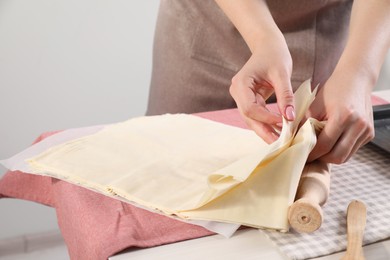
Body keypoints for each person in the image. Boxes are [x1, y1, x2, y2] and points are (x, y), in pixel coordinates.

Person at [146, 0, 390, 164]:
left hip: (330, 37)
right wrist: (263, 39)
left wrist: (359, 72)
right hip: (206, 34)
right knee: (172, 162)